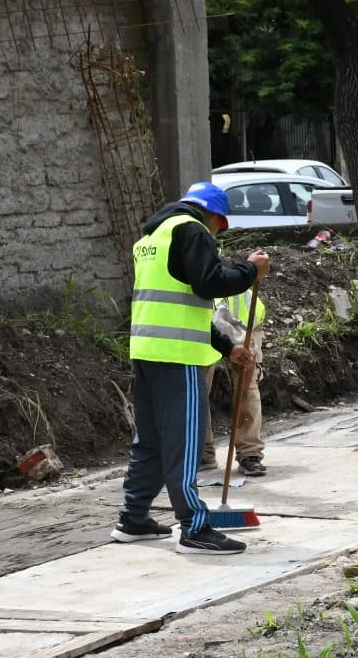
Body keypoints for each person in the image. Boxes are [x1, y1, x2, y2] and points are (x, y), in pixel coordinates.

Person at [110, 181, 271, 555]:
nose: (218, 233)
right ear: (213, 215)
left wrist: (226, 347)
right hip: (178, 357)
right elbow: (210, 283)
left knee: (148, 442)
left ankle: (133, 519)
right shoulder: (192, 230)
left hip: (148, 352)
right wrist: (250, 270)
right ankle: (195, 528)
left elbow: (185, 304)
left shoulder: (151, 239)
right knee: (183, 445)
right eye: (221, 226)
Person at [200, 285, 268, 476]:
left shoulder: (242, 314)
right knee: (197, 389)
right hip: (204, 329)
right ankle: (203, 453)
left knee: (248, 388)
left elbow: (248, 366)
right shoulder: (200, 308)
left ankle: (249, 453)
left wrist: (243, 401)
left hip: (244, 326)